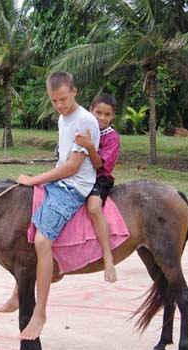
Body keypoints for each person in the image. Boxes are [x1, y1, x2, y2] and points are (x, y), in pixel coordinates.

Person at [13, 71, 100, 341]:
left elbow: (73, 167)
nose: (59, 105)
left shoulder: (85, 121)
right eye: (54, 101)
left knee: (41, 241)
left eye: (63, 99)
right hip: (60, 182)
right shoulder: (64, 119)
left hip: (74, 187)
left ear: (74, 91)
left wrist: (35, 179)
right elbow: (62, 160)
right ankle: (18, 294)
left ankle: (40, 312)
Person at [74, 93, 120, 283]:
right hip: (79, 174)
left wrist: (90, 147)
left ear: (112, 116)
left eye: (107, 114)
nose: (102, 118)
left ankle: (108, 257)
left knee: (93, 207)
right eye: (98, 113)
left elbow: (100, 165)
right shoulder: (84, 129)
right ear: (90, 111)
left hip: (99, 178)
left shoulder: (111, 137)